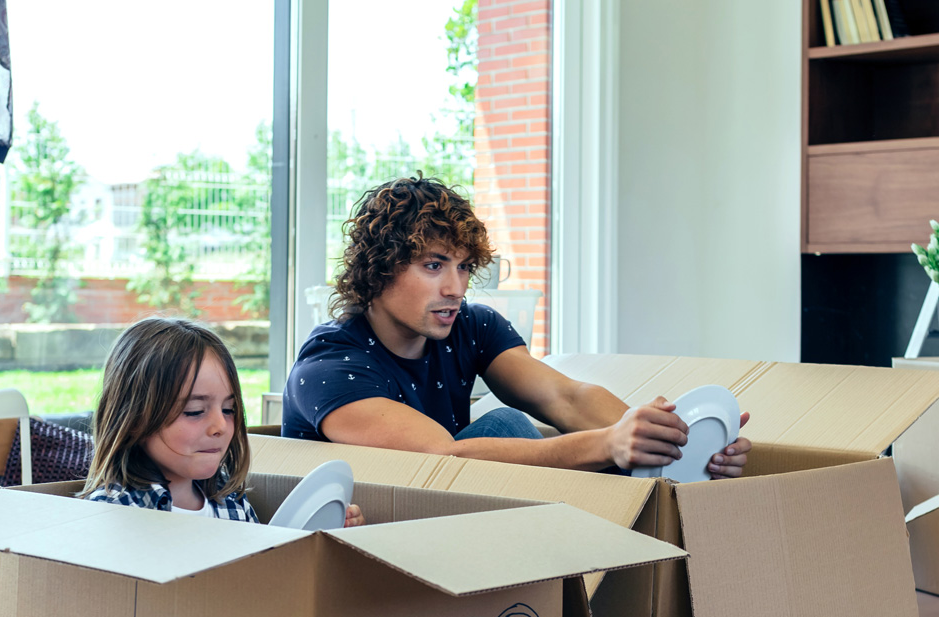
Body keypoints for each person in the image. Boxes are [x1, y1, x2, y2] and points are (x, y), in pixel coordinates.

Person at [282, 176, 751, 477]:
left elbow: (564, 397)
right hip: (366, 538)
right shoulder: (328, 368)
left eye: (465, 268)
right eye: (433, 265)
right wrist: (609, 444)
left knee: (523, 425)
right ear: (379, 268)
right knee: (507, 425)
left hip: (449, 516)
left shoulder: (470, 326)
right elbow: (444, 458)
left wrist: (669, 442)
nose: (455, 287)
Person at [83, 317, 363, 524]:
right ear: (134, 418)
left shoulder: (232, 503)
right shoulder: (112, 511)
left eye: (229, 409)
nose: (220, 426)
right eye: (194, 411)